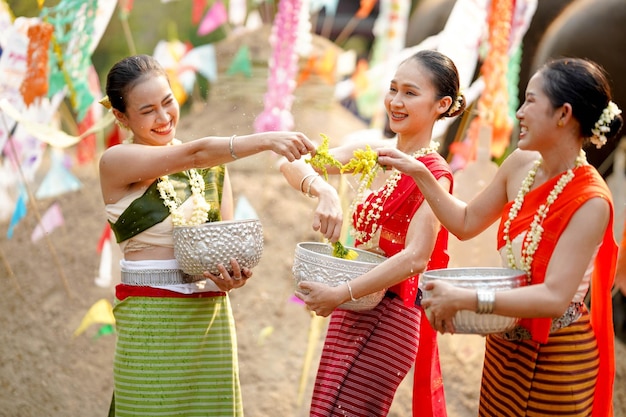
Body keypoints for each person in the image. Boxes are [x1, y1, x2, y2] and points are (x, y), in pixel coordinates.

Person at [377, 57, 623, 416]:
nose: (519, 113)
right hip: (505, 346)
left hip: (559, 356)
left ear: (563, 114)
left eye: (531, 101)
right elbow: (464, 223)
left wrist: (466, 298)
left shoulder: (591, 201)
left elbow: (554, 298)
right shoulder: (521, 163)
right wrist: (421, 173)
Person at [98, 54, 315, 417]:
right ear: (121, 117)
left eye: (168, 102)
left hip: (208, 318)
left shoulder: (211, 171)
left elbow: (223, 247)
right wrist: (265, 140)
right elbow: (196, 152)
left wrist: (232, 279)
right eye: (148, 110)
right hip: (151, 320)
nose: (164, 117)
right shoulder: (116, 161)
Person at [280, 49, 466, 416]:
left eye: (411, 93)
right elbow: (293, 162)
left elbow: (415, 258)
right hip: (349, 307)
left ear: (441, 105)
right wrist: (326, 191)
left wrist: (340, 292)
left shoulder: (435, 175)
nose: (395, 102)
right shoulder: (374, 153)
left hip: (389, 317)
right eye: (393, 89)